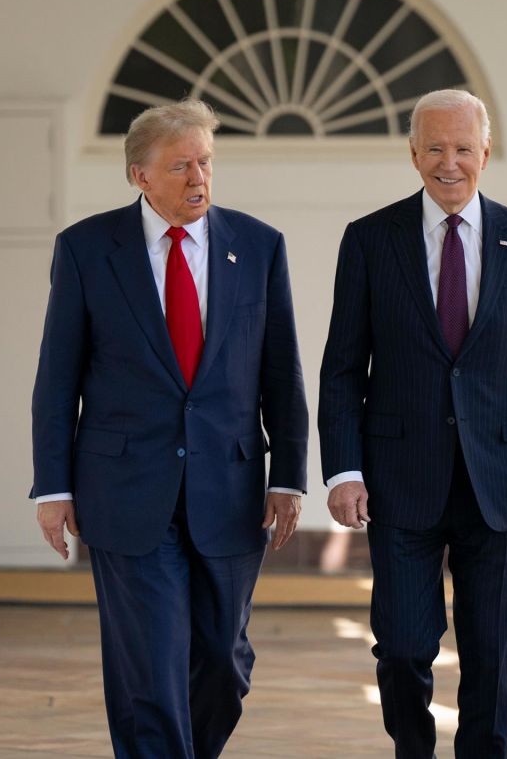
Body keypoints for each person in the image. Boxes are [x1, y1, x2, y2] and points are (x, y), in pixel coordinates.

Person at [30, 99, 308, 759]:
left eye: (205, 162)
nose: (198, 178)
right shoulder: (87, 250)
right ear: (139, 175)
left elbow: (282, 374)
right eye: (180, 165)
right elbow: (56, 378)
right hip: (124, 491)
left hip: (232, 488)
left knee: (224, 663)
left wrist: (290, 475)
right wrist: (52, 486)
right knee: (152, 671)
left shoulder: (259, 246)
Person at [319, 89, 507, 758]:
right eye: (435, 148)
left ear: (485, 153)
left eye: (463, 148)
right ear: (413, 154)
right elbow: (343, 368)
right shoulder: (370, 240)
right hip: (400, 479)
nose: (449, 162)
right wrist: (343, 468)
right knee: (403, 643)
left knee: (491, 654)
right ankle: (415, 749)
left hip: (500, 480)